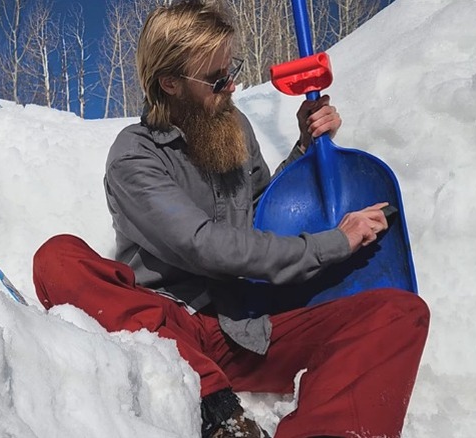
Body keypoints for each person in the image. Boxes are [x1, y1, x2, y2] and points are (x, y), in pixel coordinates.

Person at [32, 1, 429, 437]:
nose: (232, 85)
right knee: (58, 257)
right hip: (168, 328)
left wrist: (305, 147)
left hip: (244, 328)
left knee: (400, 313)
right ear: (170, 83)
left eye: (231, 69)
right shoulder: (134, 156)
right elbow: (203, 245)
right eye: (217, 78)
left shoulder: (232, 126)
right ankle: (215, 407)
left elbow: (259, 216)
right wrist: (334, 242)